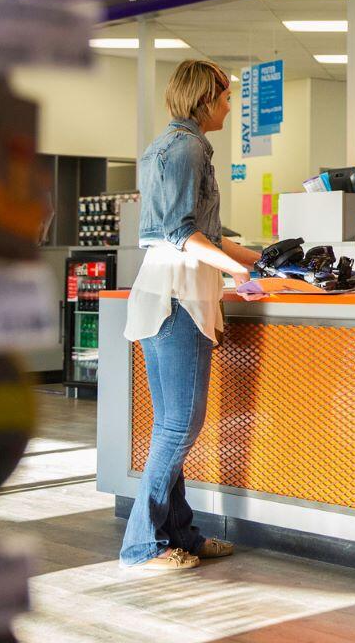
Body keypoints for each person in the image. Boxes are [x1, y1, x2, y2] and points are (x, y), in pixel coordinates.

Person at [119, 59, 263, 571]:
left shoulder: (166, 144)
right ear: (205, 100)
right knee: (180, 426)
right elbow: (182, 233)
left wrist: (262, 260)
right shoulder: (189, 148)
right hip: (178, 295)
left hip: (163, 291)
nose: (229, 106)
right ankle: (142, 545)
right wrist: (237, 273)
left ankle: (180, 533)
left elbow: (205, 233)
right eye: (225, 98)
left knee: (170, 425)